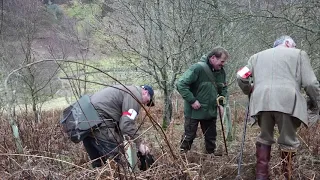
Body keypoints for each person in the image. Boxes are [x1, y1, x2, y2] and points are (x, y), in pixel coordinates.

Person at [237, 35, 320, 180]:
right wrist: (316, 102)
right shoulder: (299, 54)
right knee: (288, 141)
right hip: (287, 102)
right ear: (287, 43)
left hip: (261, 101)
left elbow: (240, 76)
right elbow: (311, 83)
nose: (294, 47)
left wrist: (249, 89)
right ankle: (286, 176)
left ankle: (261, 176)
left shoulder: (256, 57)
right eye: (293, 45)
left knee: (264, 138)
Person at [82, 85, 155, 168]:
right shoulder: (135, 95)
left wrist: (130, 139)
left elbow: (119, 123)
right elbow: (126, 124)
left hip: (84, 122)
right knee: (116, 158)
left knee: (98, 164)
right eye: (147, 101)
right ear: (145, 92)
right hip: (99, 121)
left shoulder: (125, 90)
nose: (144, 104)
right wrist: (140, 144)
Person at [176, 46, 229, 154]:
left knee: (211, 138)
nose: (223, 64)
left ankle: (210, 160)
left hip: (210, 111)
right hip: (193, 111)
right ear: (213, 57)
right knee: (189, 136)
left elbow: (223, 88)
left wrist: (222, 104)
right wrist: (192, 100)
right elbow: (181, 84)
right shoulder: (197, 68)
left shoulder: (221, 72)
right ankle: (182, 158)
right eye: (222, 61)